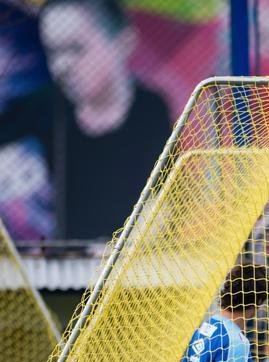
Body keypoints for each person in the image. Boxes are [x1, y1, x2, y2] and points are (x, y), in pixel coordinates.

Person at [0, 0, 171, 239]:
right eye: (53, 52)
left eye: (76, 49)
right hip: (67, 260)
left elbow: (163, 197)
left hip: (130, 260)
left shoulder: (151, 109)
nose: (63, 65)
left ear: (122, 42)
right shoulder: (46, 106)